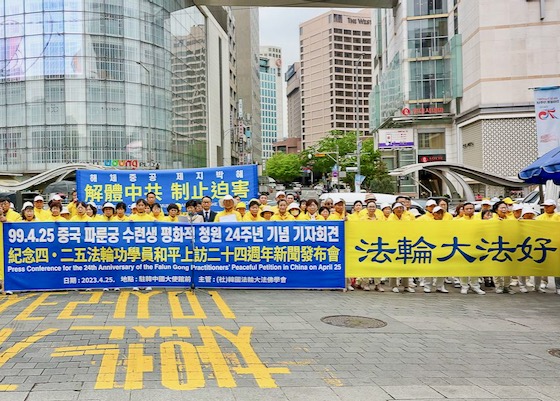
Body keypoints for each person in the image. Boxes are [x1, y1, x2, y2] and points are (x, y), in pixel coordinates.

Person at [388, 202, 415, 293]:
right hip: (394, 244)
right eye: (397, 208)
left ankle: (406, 285)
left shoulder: (407, 218)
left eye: (401, 208)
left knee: (405, 265)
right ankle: (393, 285)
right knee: (394, 266)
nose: (399, 209)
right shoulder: (390, 219)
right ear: (393, 210)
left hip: (405, 243)